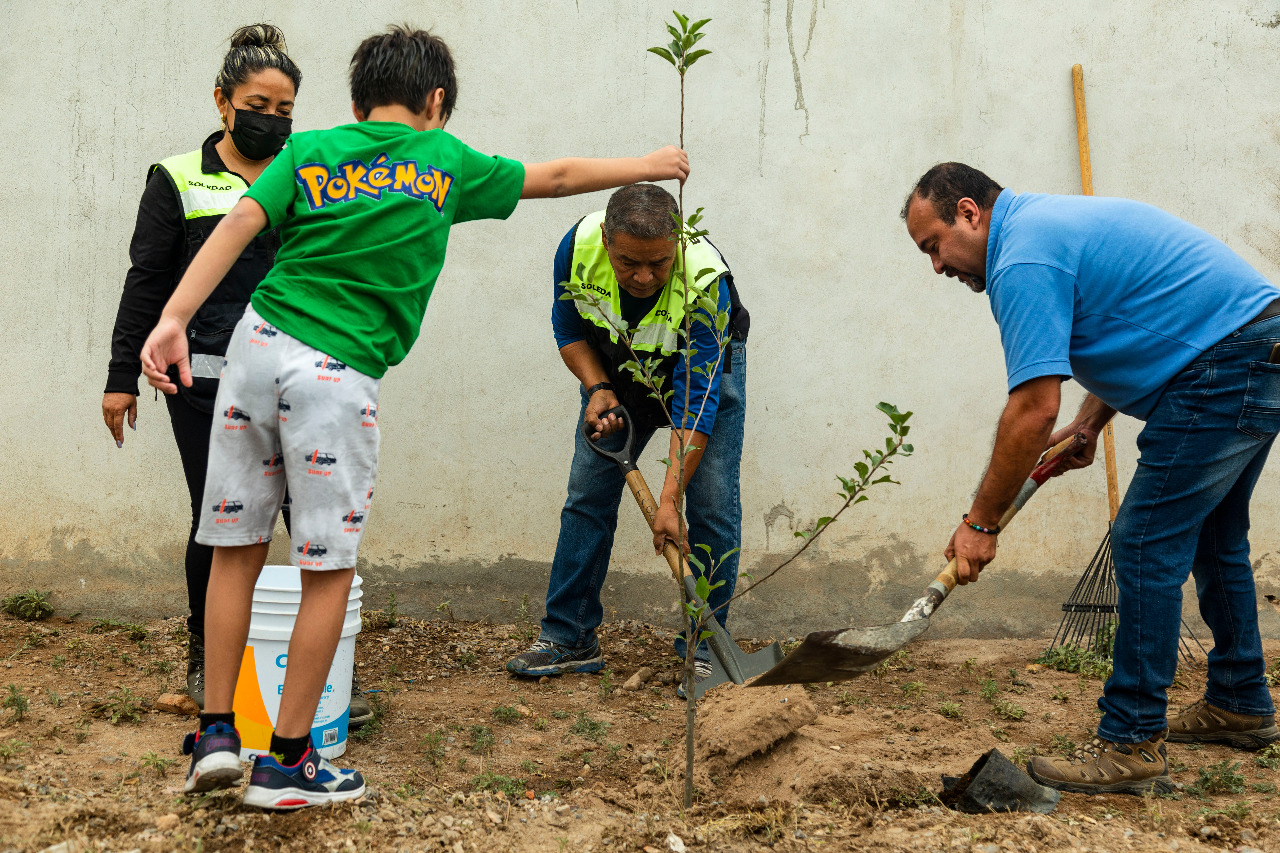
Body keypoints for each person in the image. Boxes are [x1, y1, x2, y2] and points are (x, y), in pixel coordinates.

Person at [139, 25, 690, 810]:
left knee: (236, 549)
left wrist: (173, 320)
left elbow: (239, 224)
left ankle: (217, 737)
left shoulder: (313, 149)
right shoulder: (444, 161)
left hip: (254, 346)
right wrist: (650, 165)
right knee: (326, 568)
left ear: (360, 97)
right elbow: (559, 177)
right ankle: (287, 763)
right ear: (436, 101)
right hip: (333, 373)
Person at [902, 162, 1280, 796]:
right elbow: (1138, 318)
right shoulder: (1044, 227)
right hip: (1256, 348)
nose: (937, 267)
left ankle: (1131, 742)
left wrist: (980, 523)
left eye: (934, 246)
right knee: (1215, 537)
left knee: (1143, 542)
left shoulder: (1020, 259)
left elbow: (1030, 409)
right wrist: (1090, 420)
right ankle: (1239, 699)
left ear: (969, 213)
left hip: (1224, 365)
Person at [96, 25, 364, 719]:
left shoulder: (306, 176)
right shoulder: (178, 177)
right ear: (223, 101)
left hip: (299, 379)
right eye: (257, 103)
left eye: (285, 110)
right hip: (202, 384)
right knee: (218, 526)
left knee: (315, 526)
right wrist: (122, 374)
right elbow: (147, 280)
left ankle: (321, 673)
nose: (271, 119)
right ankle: (204, 661)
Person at [505, 183, 748, 697]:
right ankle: (569, 638)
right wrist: (597, 387)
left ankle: (707, 650)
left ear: (677, 244)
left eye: (658, 264)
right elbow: (568, 328)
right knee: (588, 495)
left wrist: (667, 499)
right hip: (615, 366)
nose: (642, 277)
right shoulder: (578, 248)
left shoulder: (706, 281)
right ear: (608, 243)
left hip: (701, 373)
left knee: (711, 506)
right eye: (628, 264)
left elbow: (696, 402)